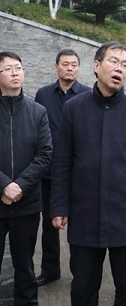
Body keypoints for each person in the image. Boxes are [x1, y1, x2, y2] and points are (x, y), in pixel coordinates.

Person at [51, 41, 126, 306]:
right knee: (83, 289)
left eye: (125, 65)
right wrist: (59, 207)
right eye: (113, 61)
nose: (119, 68)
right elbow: (62, 163)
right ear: (97, 66)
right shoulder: (74, 108)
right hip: (84, 213)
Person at [33, 48, 91, 287]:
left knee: (81, 224)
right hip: (49, 172)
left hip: (80, 172)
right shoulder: (43, 94)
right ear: (56, 66)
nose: (70, 68)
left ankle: (82, 271)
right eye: (65, 64)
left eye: (74, 64)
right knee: (49, 223)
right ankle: (50, 269)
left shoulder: (88, 94)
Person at [0, 51, 52, 305]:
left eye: (18, 68)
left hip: (27, 204)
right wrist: (4, 185)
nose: (15, 73)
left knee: (25, 267)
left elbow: (45, 154)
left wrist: (19, 185)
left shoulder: (38, 111)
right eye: (8, 69)